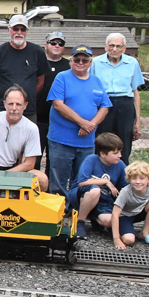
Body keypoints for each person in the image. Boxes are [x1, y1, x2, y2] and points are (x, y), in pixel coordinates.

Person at [46, 45, 112, 194]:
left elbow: (105, 107)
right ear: (71, 61)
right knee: (58, 180)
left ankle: (76, 209)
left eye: (85, 60)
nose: (80, 62)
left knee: (82, 180)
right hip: (61, 140)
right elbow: (58, 104)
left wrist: (91, 125)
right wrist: (82, 123)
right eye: (77, 59)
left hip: (86, 143)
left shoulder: (97, 81)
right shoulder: (61, 77)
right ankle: (59, 210)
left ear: (90, 63)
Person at [0, 86, 49, 190]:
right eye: (10, 104)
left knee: (42, 179)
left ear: (25, 106)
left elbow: (30, 163)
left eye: (18, 104)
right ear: (4, 104)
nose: (14, 108)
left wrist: (4, 175)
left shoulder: (31, 128)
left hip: (11, 170)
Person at [0, 14, 47, 122]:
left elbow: (40, 83)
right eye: (15, 29)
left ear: (27, 31)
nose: (19, 32)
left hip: (28, 112)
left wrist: (24, 99)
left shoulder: (38, 52)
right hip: (1, 112)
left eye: (23, 29)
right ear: (9, 30)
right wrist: (1, 102)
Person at [91, 32, 144, 163]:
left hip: (124, 103)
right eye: (112, 46)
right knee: (102, 139)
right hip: (103, 103)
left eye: (118, 46)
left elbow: (135, 91)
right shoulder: (96, 63)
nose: (115, 49)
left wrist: (137, 121)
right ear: (105, 47)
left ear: (124, 48)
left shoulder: (132, 63)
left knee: (124, 140)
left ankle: (122, 173)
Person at [69, 133, 127, 239]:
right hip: (83, 195)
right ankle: (80, 222)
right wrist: (105, 181)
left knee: (109, 222)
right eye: (115, 153)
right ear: (103, 154)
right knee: (95, 190)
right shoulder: (91, 160)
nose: (120, 155)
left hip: (103, 200)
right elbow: (82, 182)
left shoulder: (120, 165)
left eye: (120, 152)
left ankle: (95, 217)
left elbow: (126, 186)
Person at [111, 161, 149, 249]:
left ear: (148, 179)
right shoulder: (125, 192)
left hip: (138, 212)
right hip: (124, 216)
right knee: (129, 240)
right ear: (129, 179)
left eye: (142, 178)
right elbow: (115, 214)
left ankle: (145, 233)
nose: (138, 182)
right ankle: (117, 230)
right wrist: (116, 239)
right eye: (134, 178)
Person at [37, 31, 70, 171]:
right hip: (37, 117)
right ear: (46, 45)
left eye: (60, 43)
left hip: (60, 120)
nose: (57, 45)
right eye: (53, 42)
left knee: (55, 159)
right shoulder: (37, 63)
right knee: (34, 156)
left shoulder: (70, 66)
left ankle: (51, 189)